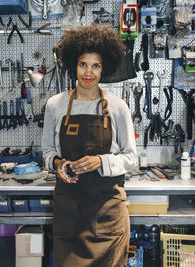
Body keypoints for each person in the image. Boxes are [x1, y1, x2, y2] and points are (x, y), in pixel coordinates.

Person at [42, 24, 137, 267]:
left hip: (107, 213)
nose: (88, 72)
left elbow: (130, 158)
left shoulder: (118, 106)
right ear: (74, 64)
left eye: (96, 66)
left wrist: (100, 161)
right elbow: (47, 152)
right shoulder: (55, 105)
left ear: (104, 69)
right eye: (83, 64)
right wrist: (57, 165)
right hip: (70, 211)